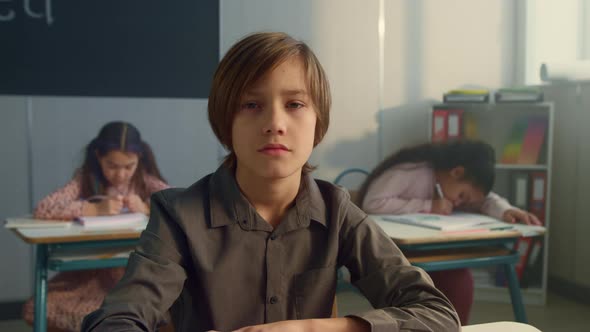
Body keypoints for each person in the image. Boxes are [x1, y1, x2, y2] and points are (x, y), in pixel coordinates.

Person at [81, 32, 460, 332]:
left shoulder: (337, 211)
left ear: (318, 123)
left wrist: (315, 328)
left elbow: (438, 315)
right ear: (224, 122)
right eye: (251, 105)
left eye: (295, 104)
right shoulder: (179, 215)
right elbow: (118, 318)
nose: (275, 123)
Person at [357, 139, 541, 324]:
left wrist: (505, 210)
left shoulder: (454, 184)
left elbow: (484, 200)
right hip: (397, 251)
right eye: (462, 196)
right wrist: (429, 205)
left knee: (460, 279)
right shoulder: (411, 171)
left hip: (433, 249)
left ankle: (453, 327)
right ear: (457, 172)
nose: (460, 203)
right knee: (418, 285)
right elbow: (372, 202)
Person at [23, 121, 169, 332]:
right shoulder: (86, 178)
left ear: (139, 160)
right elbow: (44, 208)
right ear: (99, 157)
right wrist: (92, 209)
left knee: (164, 308)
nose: (120, 174)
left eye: (129, 166)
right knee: (37, 308)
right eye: (112, 165)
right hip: (90, 276)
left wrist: (146, 206)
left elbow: (176, 203)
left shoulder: (143, 180)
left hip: (133, 274)